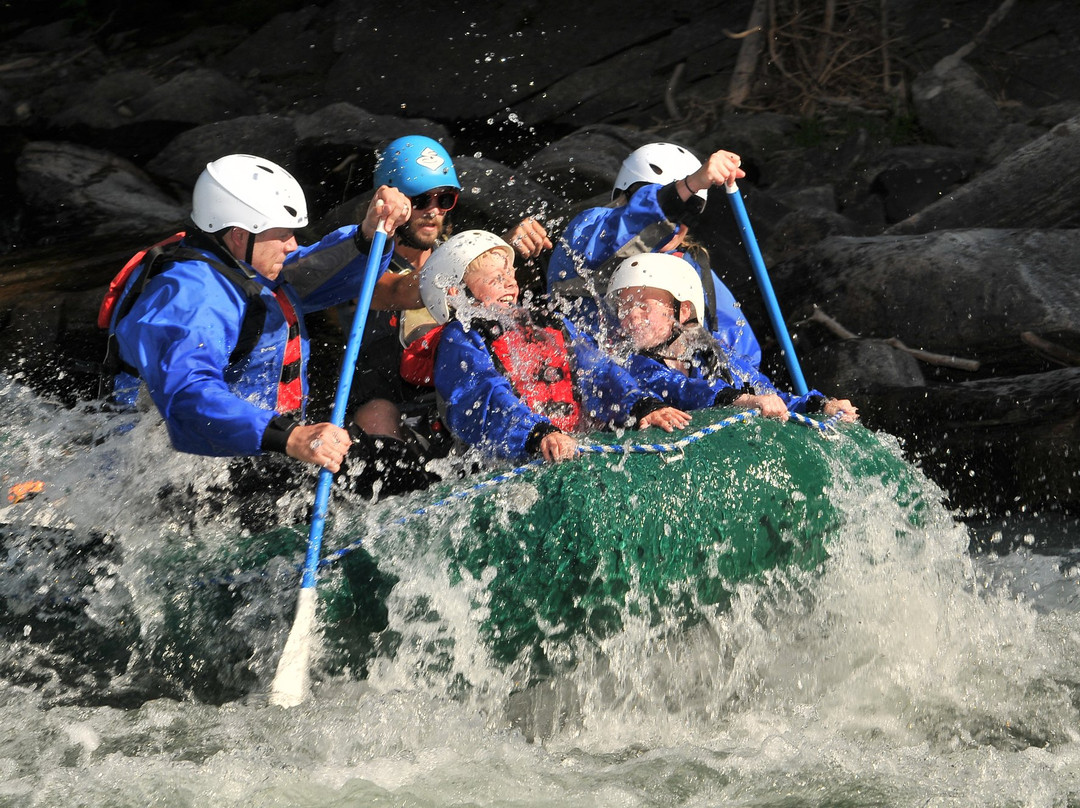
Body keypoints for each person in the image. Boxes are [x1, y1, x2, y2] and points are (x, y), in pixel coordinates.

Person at [107, 153, 436, 518]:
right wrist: (292, 437)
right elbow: (187, 398)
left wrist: (368, 235)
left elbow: (309, 274)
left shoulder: (242, 266)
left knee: (391, 469)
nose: (292, 245)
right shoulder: (190, 297)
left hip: (259, 445)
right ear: (239, 234)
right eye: (282, 235)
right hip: (183, 470)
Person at [418, 230, 691, 462]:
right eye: (495, 280)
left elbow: (599, 371)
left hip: (566, 442)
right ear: (456, 295)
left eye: (510, 275)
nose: (511, 283)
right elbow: (482, 394)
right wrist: (538, 434)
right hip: (516, 452)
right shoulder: (460, 338)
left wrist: (642, 406)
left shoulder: (546, 324)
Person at [346, 135, 552, 418]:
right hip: (392, 399)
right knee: (376, 415)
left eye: (444, 199)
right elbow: (396, 292)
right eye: (419, 199)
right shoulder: (361, 263)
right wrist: (489, 246)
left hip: (456, 392)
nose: (433, 211)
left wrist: (498, 259)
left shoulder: (452, 252)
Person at [546, 141, 761, 366]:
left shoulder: (690, 265)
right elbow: (627, 230)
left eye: (691, 208)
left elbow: (741, 355)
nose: (677, 222)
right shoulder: (588, 231)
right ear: (625, 198)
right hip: (594, 378)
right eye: (675, 204)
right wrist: (691, 185)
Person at [605, 252, 858, 422]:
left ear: (682, 311)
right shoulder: (628, 363)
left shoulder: (711, 355)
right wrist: (743, 400)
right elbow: (680, 388)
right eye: (624, 307)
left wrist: (820, 405)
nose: (632, 316)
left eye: (644, 307)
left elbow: (767, 392)